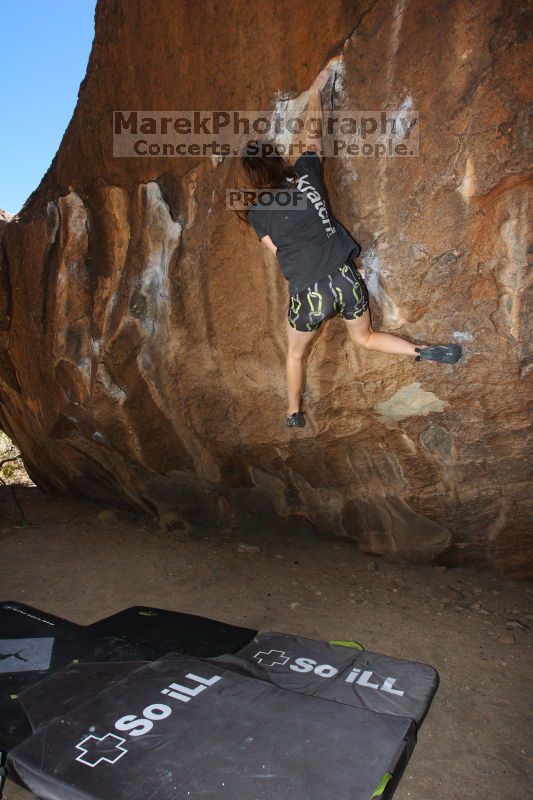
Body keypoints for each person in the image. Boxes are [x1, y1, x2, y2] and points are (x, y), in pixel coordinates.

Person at [239, 61, 461, 429]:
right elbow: (313, 137)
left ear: (253, 178)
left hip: (310, 292)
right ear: (277, 161)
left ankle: (293, 414)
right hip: (344, 277)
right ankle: (423, 352)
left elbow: (281, 255)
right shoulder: (305, 173)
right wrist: (316, 93)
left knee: (295, 355)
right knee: (367, 338)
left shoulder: (257, 213)